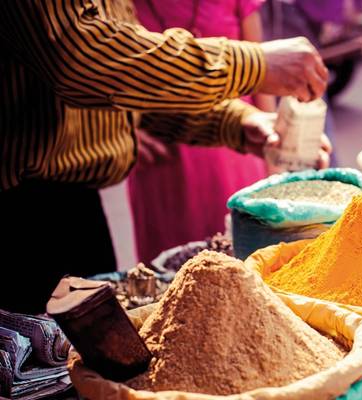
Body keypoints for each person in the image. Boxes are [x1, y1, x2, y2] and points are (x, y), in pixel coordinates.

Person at [0, 0, 330, 314]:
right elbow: (81, 58)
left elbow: (131, 92)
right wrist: (254, 64)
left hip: (77, 205)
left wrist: (239, 122)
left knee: (87, 352)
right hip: (22, 218)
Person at [128, 0, 278, 262]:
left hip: (238, 143)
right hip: (164, 162)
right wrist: (123, 124)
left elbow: (263, 77)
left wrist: (276, 157)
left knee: (251, 268)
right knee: (173, 276)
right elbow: (91, 67)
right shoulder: (122, 6)